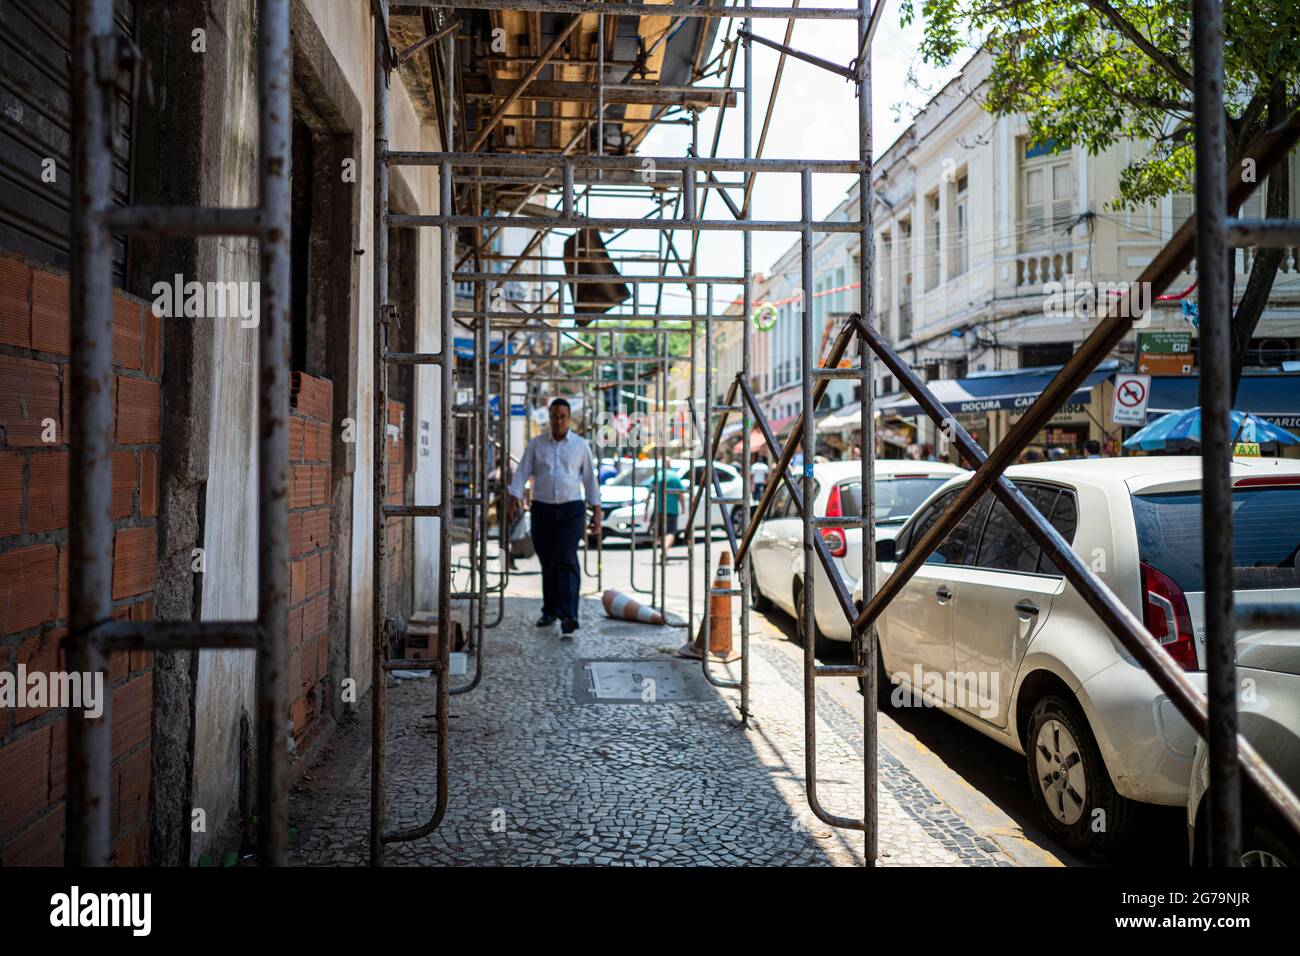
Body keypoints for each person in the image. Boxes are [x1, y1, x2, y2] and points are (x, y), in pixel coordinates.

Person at [508, 398, 601, 636]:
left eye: (563, 416)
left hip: (571, 511)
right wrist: (513, 499)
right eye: (554, 416)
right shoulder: (537, 445)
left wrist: (597, 512)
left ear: (569, 419)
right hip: (543, 510)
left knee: (567, 559)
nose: (558, 421)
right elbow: (521, 474)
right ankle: (549, 610)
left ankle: (569, 614)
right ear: (549, 418)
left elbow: (590, 480)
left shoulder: (581, 446)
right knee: (548, 562)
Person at [648, 466, 687, 548]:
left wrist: (646, 511)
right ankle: (665, 547)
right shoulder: (674, 476)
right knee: (671, 532)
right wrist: (683, 506)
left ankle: (660, 543)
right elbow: (680, 493)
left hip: (659, 509)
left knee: (659, 531)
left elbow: (650, 491)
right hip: (672, 509)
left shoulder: (658, 475)